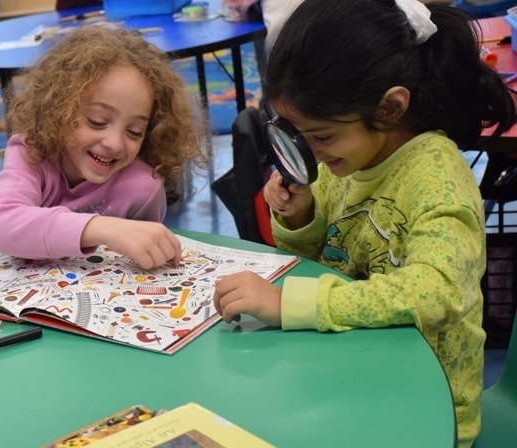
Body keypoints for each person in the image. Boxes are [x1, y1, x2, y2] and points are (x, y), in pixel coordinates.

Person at [211, 0, 516, 445]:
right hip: (346, 370)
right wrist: (303, 218)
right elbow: (321, 265)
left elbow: (438, 292)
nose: (311, 154)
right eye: (298, 136)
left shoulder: (438, 178)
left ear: (390, 108)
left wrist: (290, 305)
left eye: (322, 136)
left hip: (422, 409)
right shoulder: (346, 163)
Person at [0, 26, 210, 270]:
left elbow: (143, 265)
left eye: (134, 132)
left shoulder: (144, 190)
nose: (114, 143)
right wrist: (103, 228)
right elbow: (4, 225)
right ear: (59, 109)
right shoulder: (32, 152)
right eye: (97, 122)